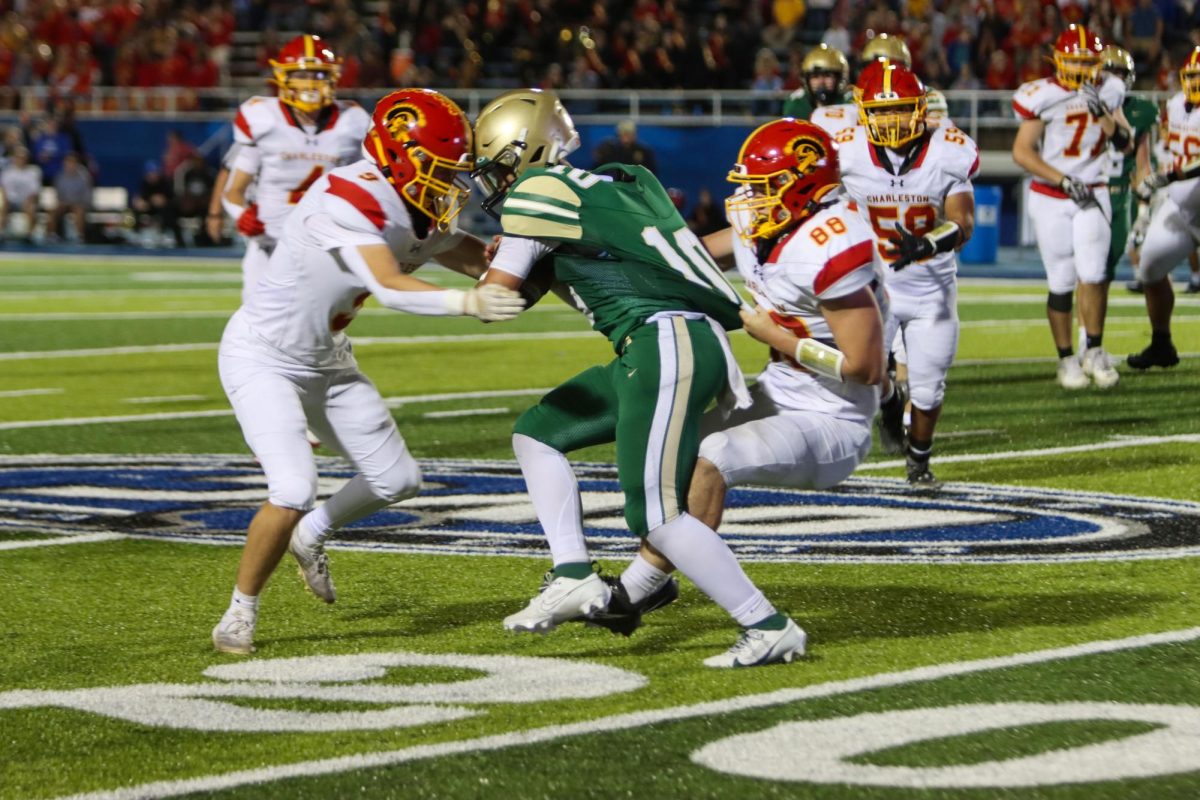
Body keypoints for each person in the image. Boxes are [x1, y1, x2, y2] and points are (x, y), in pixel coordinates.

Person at [474, 88, 805, 668]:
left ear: (525, 153)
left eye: (498, 166)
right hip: (663, 343)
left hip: (664, 342)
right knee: (538, 432)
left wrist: (406, 275)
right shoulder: (618, 184)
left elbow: (496, 298)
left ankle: (767, 624)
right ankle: (575, 573)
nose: (494, 184)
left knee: (655, 513)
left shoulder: (537, 192)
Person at [211, 89, 525, 655]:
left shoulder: (415, 202)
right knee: (292, 487)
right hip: (264, 356)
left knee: (398, 480)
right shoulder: (348, 195)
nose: (453, 186)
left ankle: (312, 534)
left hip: (328, 358)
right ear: (401, 155)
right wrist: (467, 304)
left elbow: (466, 253)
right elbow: (389, 284)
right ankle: (240, 612)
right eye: (442, 170)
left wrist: (524, 256)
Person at [600, 120, 888, 636]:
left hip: (834, 417)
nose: (747, 198)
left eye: (763, 186)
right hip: (780, 392)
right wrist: (611, 249)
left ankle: (640, 592)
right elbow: (691, 255)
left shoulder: (828, 244)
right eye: (748, 185)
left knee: (715, 458)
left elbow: (867, 367)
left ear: (802, 186)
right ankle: (654, 577)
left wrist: (775, 337)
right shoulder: (771, 225)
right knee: (675, 441)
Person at [838, 59, 979, 489]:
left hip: (931, 288)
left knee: (930, 389)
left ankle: (919, 461)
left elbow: (964, 221)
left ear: (920, 109)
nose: (890, 119)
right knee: (864, 373)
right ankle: (889, 399)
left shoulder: (949, 150)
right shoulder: (845, 151)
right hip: (875, 287)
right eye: (880, 111)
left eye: (899, 108)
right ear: (862, 112)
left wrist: (928, 243)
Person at [1012, 24, 1133, 390]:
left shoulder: (1109, 90)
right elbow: (1022, 151)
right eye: (1074, 61)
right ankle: (1066, 358)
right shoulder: (1042, 94)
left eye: (1087, 62)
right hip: (1052, 195)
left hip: (1093, 190)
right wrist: (1063, 179)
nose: (1081, 69)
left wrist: (1104, 115)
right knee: (1061, 280)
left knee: (1094, 273)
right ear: (1059, 61)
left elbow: (1125, 143)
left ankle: (1093, 349)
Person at [222, 34, 369, 304]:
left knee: (324, 324)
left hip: (326, 243)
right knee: (258, 318)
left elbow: (369, 182)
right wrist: (241, 216)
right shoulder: (263, 117)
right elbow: (233, 191)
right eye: (301, 74)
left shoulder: (354, 122)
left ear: (333, 77)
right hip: (269, 242)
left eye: (318, 74)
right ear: (282, 77)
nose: (310, 83)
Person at [1124, 46, 1200, 370]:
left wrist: (1171, 176)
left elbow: (1182, 167)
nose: (1195, 82)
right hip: (1180, 206)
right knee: (1151, 268)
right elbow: (1166, 159)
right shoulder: (1173, 107)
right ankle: (1161, 343)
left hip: (1181, 190)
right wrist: (1144, 209)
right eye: (1192, 76)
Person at [1078, 47, 1156, 353]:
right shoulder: (1079, 103)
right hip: (1087, 191)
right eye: (1111, 72)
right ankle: (1085, 343)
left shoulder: (1141, 110)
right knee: (1084, 271)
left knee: (1103, 272)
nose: (1116, 79)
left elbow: (1143, 164)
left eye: (1121, 74)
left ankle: (1091, 342)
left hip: (1119, 195)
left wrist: (1144, 209)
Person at [781, 44, 854, 122]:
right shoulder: (797, 103)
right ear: (806, 79)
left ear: (840, 78)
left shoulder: (850, 101)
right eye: (815, 77)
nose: (821, 82)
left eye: (828, 76)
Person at [132, 160, 182, 247]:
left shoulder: (165, 182)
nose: (153, 176)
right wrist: (140, 202)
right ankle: (136, 235)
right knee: (134, 210)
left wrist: (163, 201)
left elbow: (172, 198)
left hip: (164, 208)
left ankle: (166, 234)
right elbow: (139, 197)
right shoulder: (144, 183)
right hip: (150, 207)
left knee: (168, 210)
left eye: (155, 173)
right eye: (151, 173)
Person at [49, 151, 91, 242]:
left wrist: (79, 203)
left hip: (79, 204)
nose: (70, 164)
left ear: (76, 164)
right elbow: (58, 194)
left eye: (72, 162)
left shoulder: (84, 177)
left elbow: (87, 195)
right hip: (64, 203)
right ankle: (52, 235)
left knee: (79, 210)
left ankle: (79, 236)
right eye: (68, 162)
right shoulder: (60, 177)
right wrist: (62, 202)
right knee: (53, 210)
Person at [0, 146, 42, 239]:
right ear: (14, 158)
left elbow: (34, 191)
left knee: (31, 207)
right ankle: (1, 232)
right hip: (11, 201)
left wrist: (28, 201)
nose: (21, 160)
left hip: (26, 201)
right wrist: (6, 200)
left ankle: (30, 234)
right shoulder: (7, 172)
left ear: (27, 159)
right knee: (4, 206)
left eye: (23, 157)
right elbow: (4, 189)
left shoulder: (33, 172)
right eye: (18, 157)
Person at [591, 119, 658, 176]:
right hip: (612, 186)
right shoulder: (608, 149)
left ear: (635, 134)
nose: (627, 138)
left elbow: (652, 173)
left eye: (630, 134)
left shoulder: (644, 151)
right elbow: (597, 168)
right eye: (624, 134)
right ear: (619, 134)